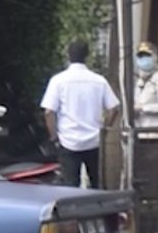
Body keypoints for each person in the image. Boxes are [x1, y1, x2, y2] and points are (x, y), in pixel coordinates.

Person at [39, 40, 120, 189]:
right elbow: (114, 108)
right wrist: (104, 129)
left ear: (68, 56)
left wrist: (54, 135)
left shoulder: (58, 81)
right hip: (94, 140)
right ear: (87, 56)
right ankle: (99, 210)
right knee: (97, 183)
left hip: (68, 140)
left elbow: (49, 111)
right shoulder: (99, 81)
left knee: (70, 185)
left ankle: (73, 212)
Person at [133, 41, 158, 128]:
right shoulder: (140, 81)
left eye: (147, 56)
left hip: (155, 130)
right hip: (140, 130)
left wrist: (143, 109)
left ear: (154, 57)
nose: (143, 59)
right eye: (140, 56)